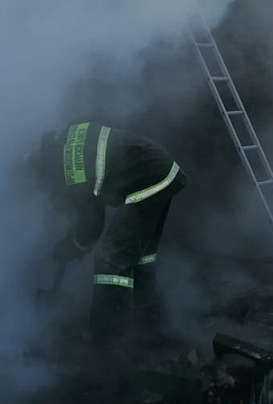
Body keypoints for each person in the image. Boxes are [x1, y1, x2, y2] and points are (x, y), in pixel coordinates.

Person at [28, 122, 187, 337]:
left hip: (149, 178)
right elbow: (87, 200)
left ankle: (106, 345)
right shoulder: (67, 141)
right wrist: (74, 233)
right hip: (160, 170)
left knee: (110, 260)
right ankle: (148, 321)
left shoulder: (68, 170)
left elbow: (93, 225)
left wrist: (72, 247)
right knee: (142, 254)